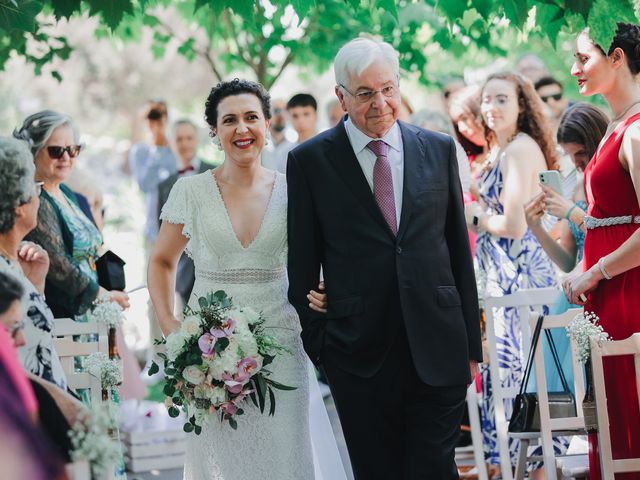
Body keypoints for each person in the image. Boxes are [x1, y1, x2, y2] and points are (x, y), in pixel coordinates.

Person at [287, 38, 481, 479]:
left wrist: (471, 344)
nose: (381, 103)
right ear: (341, 97)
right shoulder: (309, 161)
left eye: (388, 89)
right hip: (357, 356)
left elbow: (456, 251)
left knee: (433, 467)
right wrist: (323, 347)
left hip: (439, 347)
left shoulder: (438, 148)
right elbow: (301, 267)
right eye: (366, 93)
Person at [147, 78, 345, 480]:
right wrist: (171, 328)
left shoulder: (294, 191)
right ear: (215, 131)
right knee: (223, 459)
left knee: (286, 456)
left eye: (252, 117)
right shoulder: (192, 191)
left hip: (282, 348)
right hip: (209, 353)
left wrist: (325, 291)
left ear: (267, 124)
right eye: (230, 120)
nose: (242, 128)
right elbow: (162, 262)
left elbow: (321, 259)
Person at [466, 71, 563, 477]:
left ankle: (539, 468)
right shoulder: (502, 149)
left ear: (522, 105)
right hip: (502, 276)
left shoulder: (520, 150)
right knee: (508, 373)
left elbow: (515, 224)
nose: (492, 107)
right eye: (487, 100)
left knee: (525, 374)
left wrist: (474, 217)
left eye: (503, 99)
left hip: (522, 276)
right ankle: (509, 464)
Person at [562, 23, 640, 480]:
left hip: (629, 295)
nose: (574, 69)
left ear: (616, 58)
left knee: (628, 419)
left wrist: (595, 273)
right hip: (607, 296)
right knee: (609, 421)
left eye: (583, 58)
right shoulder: (616, 124)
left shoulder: (635, 130)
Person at [524, 103, 609, 394]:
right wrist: (535, 227)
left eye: (581, 153)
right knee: (567, 387)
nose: (578, 163)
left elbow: (612, 234)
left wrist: (573, 212)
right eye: (571, 156)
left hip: (606, 282)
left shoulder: (612, 180)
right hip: (576, 292)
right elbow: (567, 259)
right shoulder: (575, 187)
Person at [14, 111, 129, 318]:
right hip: (64, 317)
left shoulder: (66, 193)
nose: (66, 158)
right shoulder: (36, 200)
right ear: (34, 151)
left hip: (90, 312)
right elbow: (59, 266)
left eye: (73, 149)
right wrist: (103, 296)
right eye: (56, 151)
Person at [0, 136, 68, 390]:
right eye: (36, 187)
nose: (39, 196)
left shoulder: (12, 265)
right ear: (18, 205)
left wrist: (35, 282)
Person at [157, 119, 209, 314]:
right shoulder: (164, 186)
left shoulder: (217, 173)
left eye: (189, 138)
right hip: (184, 274)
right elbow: (163, 234)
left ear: (197, 140)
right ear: (171, 143)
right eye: (179, 139)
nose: (185, 143)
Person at [260, 98, 295, 173]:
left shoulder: (295, 142)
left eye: (285, 110)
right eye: (277, 110)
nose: (281, 115)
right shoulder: (260, 144)